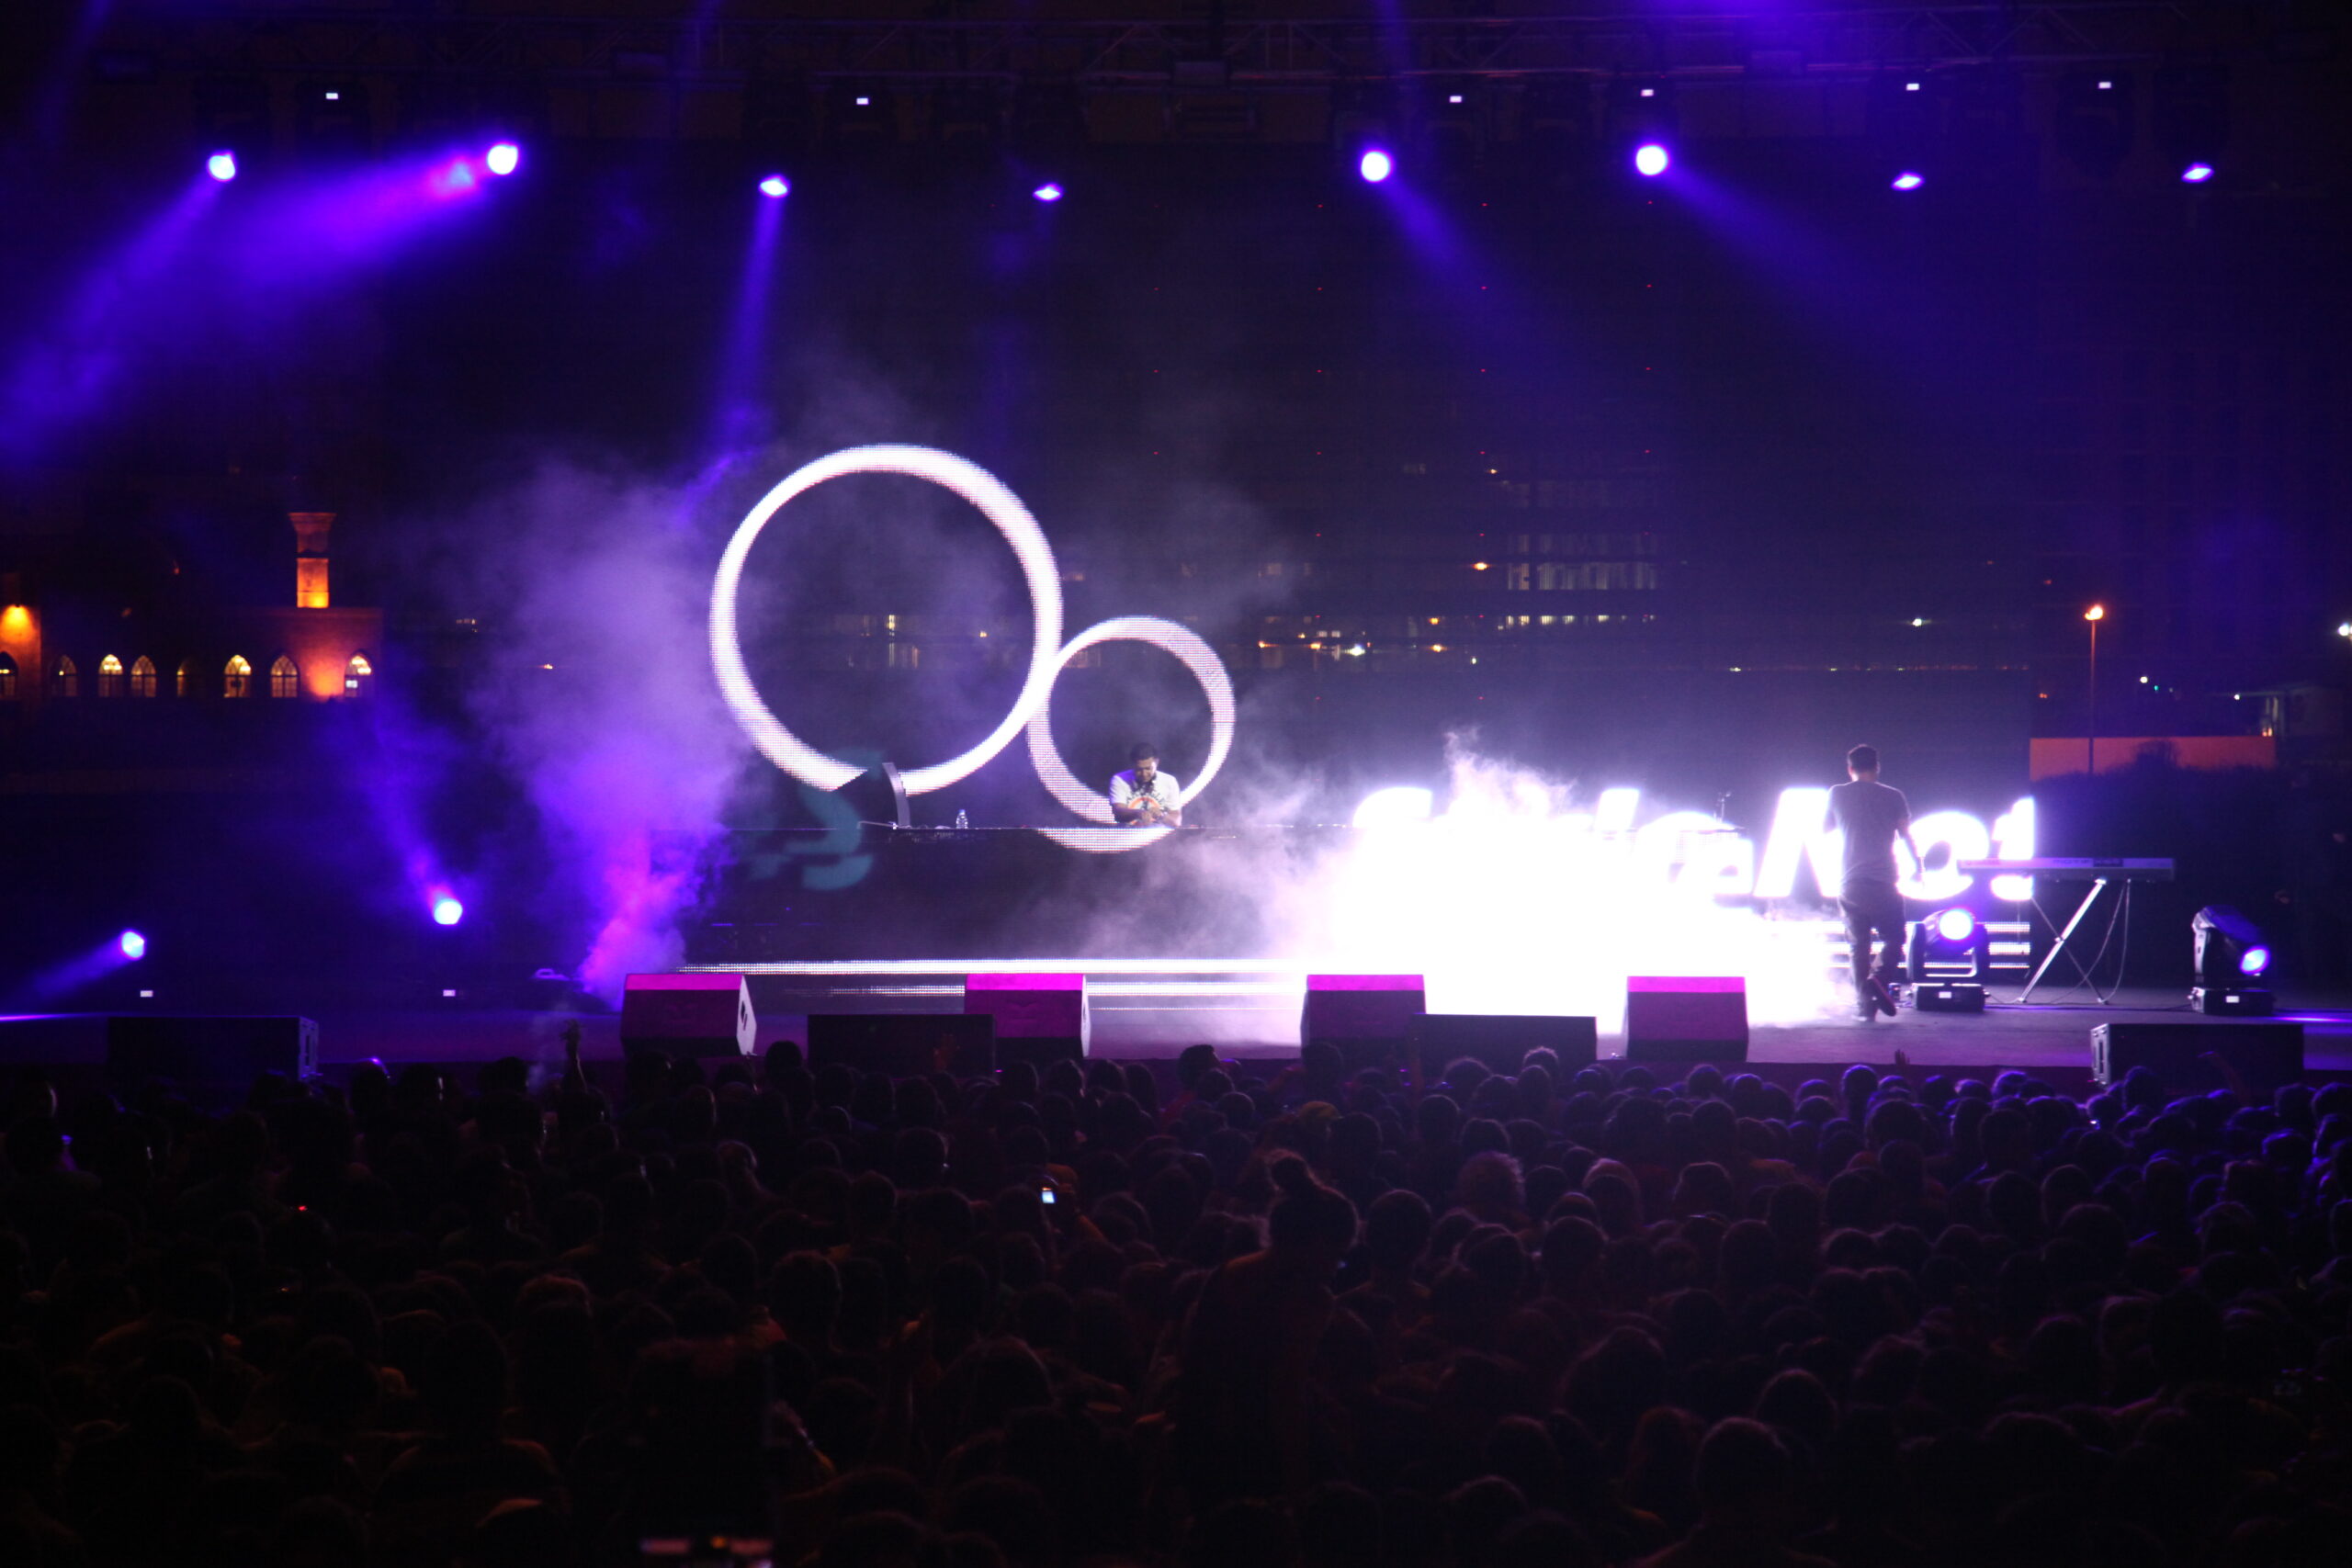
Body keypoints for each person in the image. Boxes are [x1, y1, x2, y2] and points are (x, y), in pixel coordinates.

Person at [1825, 744, 1920, 1021]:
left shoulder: (1837, 793)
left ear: (1850, 769)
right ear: (1877, 767)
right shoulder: (1894, 796)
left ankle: (1865, 1007)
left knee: (1858, 947)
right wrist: (1918, 867)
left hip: (1851, 882)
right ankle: (1877, 978)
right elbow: (1906, 835)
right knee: (1895, 939)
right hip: (1884, 881)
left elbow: (1825, 828)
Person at [1109, 742, 1182, 827]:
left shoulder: (1169, 781)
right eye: (1139, 769)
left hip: (1159, 834)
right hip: (1128, 834)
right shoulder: (1119, 780)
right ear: (1132, 765)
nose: (1144, 774)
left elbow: (1176, 822)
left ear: (1157, 762)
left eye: (1148, 769)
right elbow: (1118, 813)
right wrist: (1138, 813)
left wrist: (1162, 816)